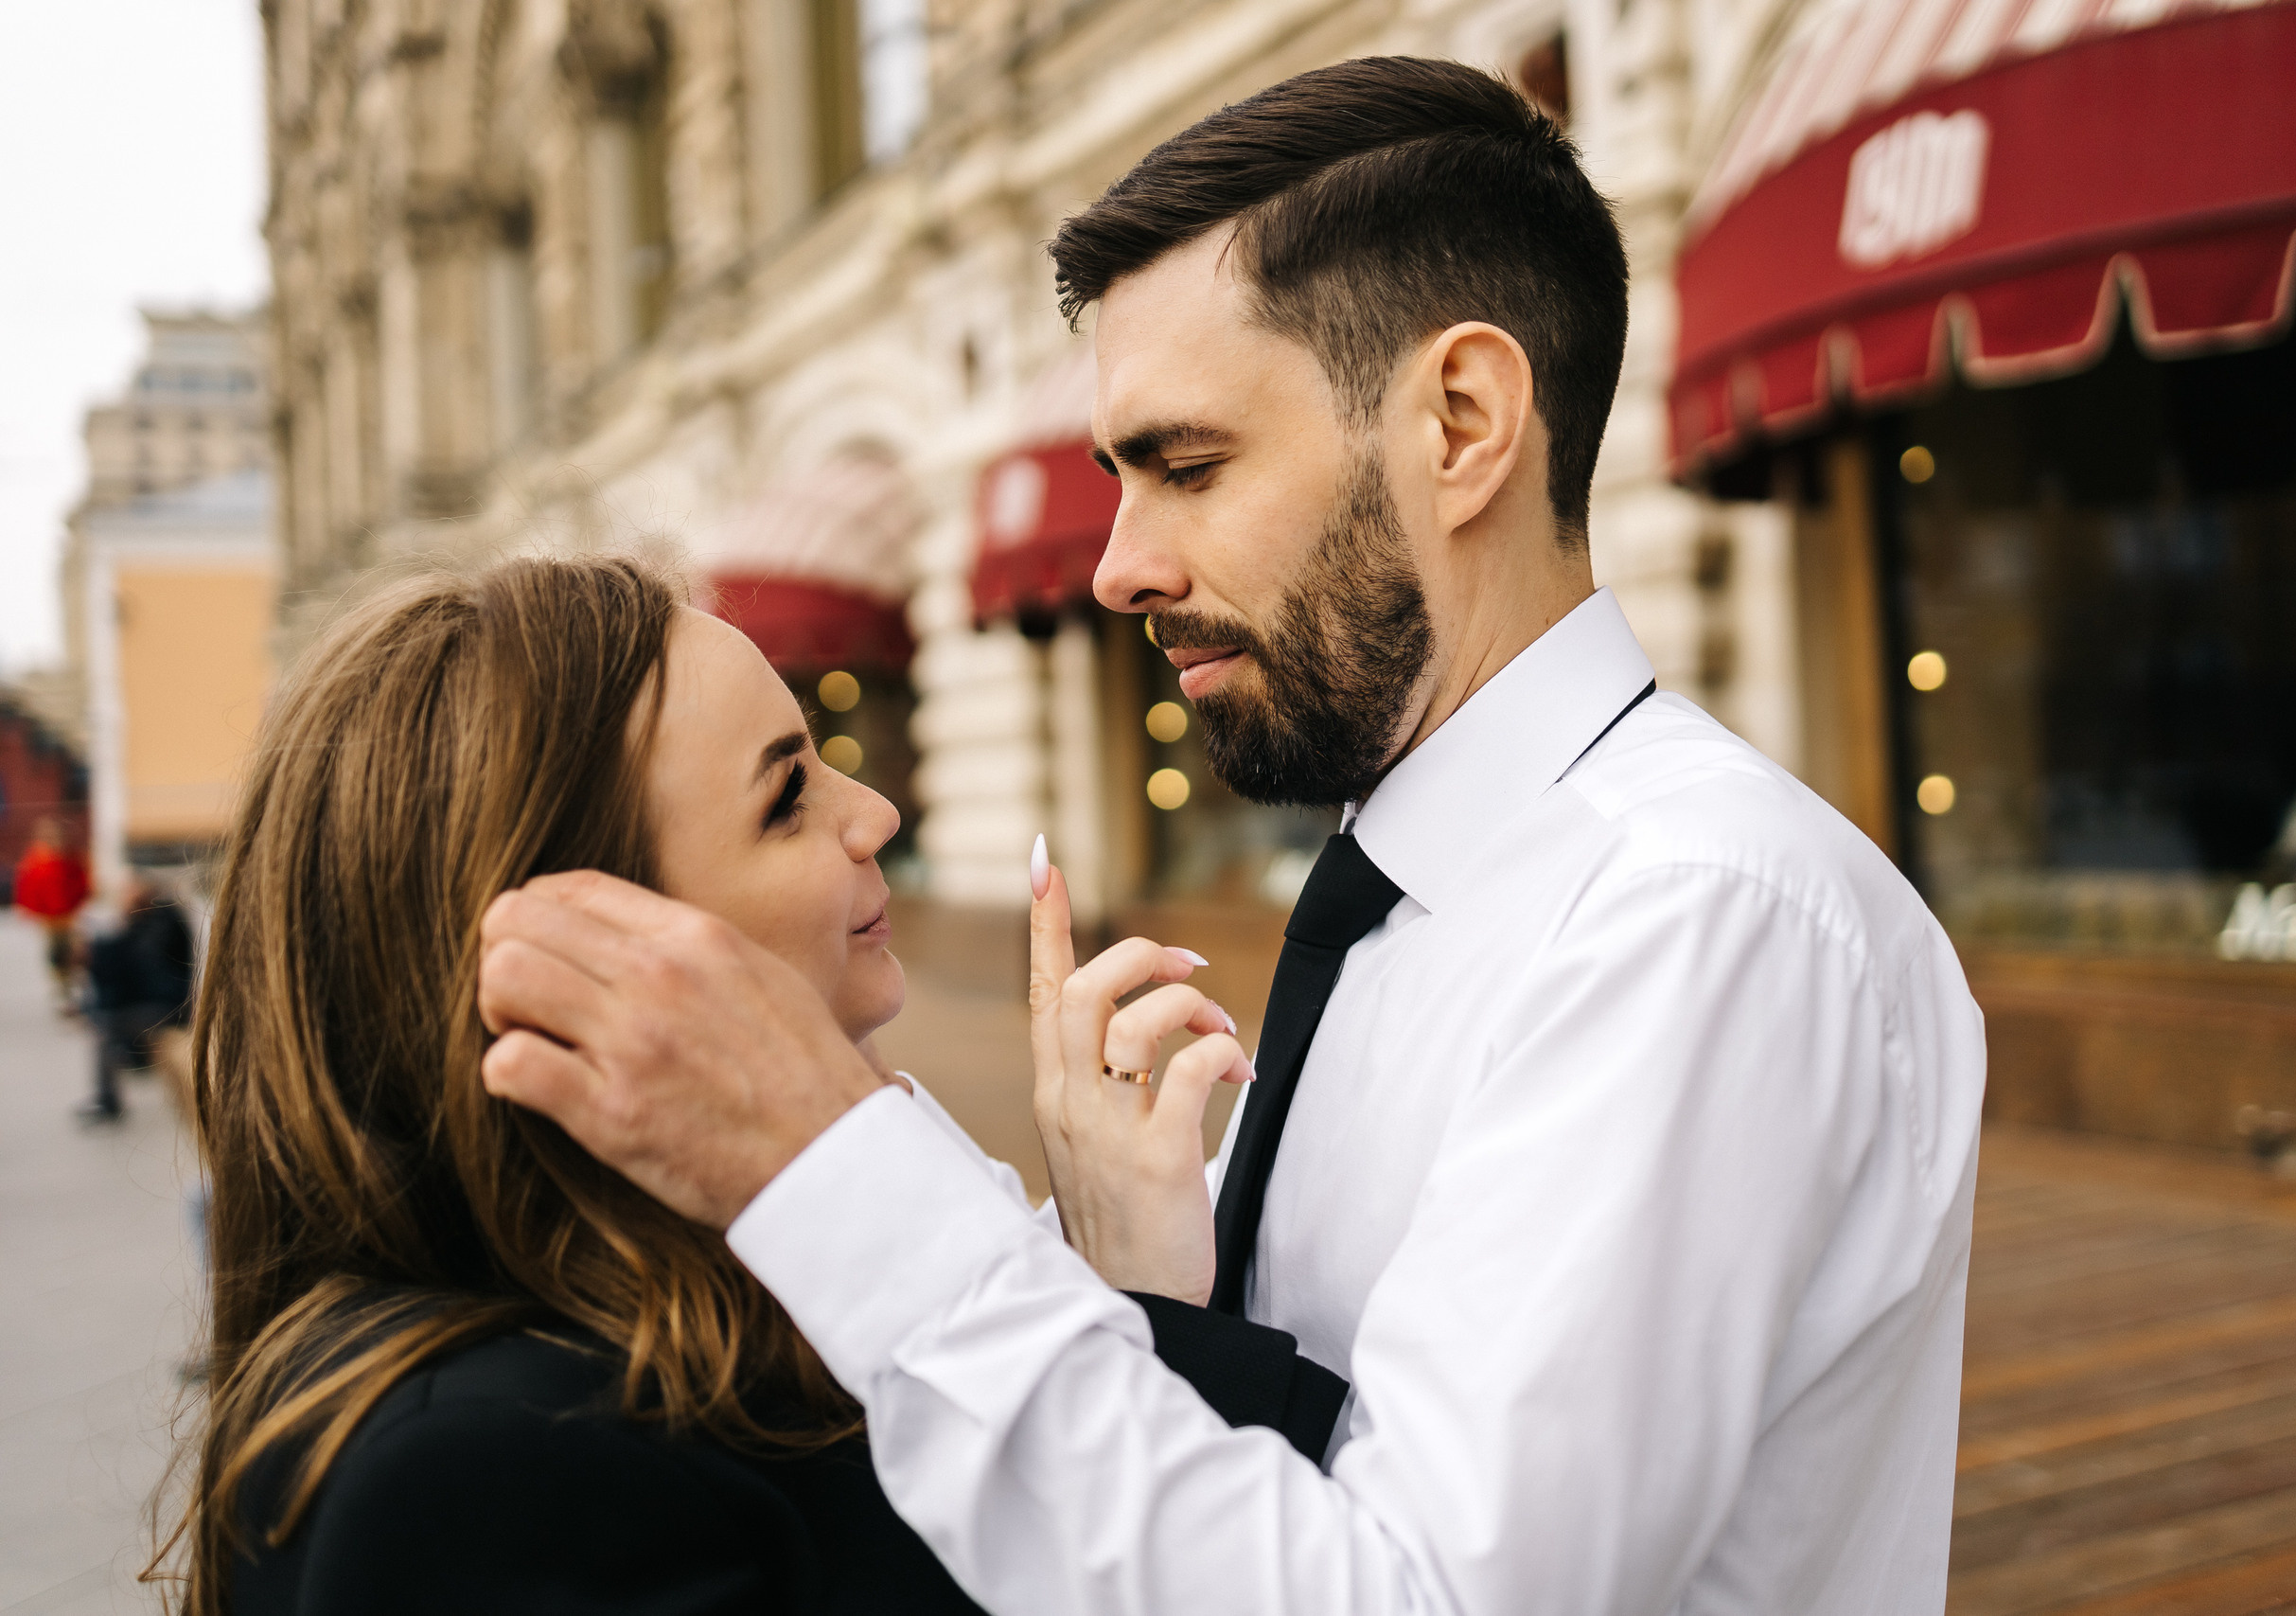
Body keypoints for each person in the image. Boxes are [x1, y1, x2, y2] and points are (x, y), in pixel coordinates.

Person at [476, 59, 1988, 1616]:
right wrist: (1148, 1295)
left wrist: (832, 1170)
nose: (1122, 564)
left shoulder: (1693, 917)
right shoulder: (1425, 889)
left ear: (1460, 421)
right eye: (1115, 479)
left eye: (1185, 465)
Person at [165, 556, 1159, 1616]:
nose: (875, 813)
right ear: (575, 954)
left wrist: (1113, 1279)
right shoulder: (500, 1471)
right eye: (786, 797)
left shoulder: (716, 1305)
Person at [78, 876, 195, 1124]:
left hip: (167, 1006)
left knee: (106, 1032)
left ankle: (109, 1101)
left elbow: (139, 969)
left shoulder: (160, 924)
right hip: (159, 1002)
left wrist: (119, 929)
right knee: (104, 1023)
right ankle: (115, 1088)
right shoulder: (146, 923)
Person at [12, 816, 91, 1013]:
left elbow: (82, 881)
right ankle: (63, 989)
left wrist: (80, 901)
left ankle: (72, 986)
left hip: (69, 914)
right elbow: (27, 885)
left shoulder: (71, 857)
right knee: (56, 952)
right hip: (49, 916)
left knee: (73, 950)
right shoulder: (37, 859)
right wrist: (29, 908)